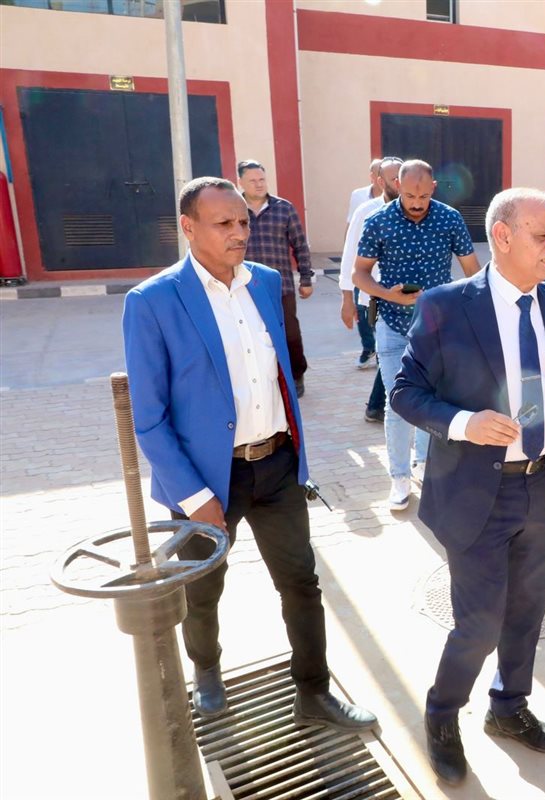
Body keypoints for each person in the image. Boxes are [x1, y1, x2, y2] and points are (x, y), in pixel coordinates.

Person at [392, 188, 545, 786]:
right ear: (502, 236)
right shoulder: (447, 305)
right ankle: (442, 714)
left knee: (527, 611)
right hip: (477, 492)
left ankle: (509, 707)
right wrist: (463, 423)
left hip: (542, 485)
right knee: (478, 623)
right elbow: (405, 392)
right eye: (541, 236)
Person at [122, 177, 376, 732]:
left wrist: (297, 459)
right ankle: (207, 672)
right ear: (189, 228)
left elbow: (279, 371)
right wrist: (195, 496)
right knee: (202, 589)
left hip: (278, 466)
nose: (239, 232)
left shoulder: (263, 281)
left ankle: (313, 690)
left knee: (301, 583)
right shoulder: (153, 302)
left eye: (243, 221)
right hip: (207, 481)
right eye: (224, 223)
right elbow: (150, 419)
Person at [352, 160, 482, 511]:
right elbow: (359, 274)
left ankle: (423, 462)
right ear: (397, 185)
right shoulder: (378, 221)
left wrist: (464, 309)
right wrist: (388, 294)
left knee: (432, 398)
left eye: (423, 196)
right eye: (410, 195)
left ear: (433, 188)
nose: (416, 203)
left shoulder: (449, 219)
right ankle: (399, 477)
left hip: (437, 329)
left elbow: (473, 272)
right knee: (398, 403)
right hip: (392, 326)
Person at [238, 159, 314, 398]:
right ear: (240, 182)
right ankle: (260, 377)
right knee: (250, 334)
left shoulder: (284, 208)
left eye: (262, 179)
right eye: (253, 180)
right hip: (244, 286)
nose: (259, 184)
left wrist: (306, 279)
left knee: (290, 333)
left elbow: (300, 245)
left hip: (281, 286)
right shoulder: (235, 210)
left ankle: (296, 375)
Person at [340, 158, 401, 423]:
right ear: (379, 181)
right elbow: (349, 258)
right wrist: (346, 299)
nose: (399, 182)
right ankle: (377, 406)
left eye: (402, 176)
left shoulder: (413, 211)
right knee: (388, 349)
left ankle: (378, 406)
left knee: (392, 350)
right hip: (373, 298)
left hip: (406, 298)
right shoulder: (366, 212)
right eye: (393, 178)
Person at [346, 158, 385, 370]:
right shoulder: (360, 199)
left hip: (382, 274)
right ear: (373, 177)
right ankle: (369, 347)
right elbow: (351, 228)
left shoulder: (398, 203)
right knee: (362, 311)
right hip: (361, 268)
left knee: (377, 316)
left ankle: (380, 351)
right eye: (377, 173)